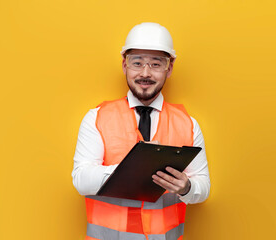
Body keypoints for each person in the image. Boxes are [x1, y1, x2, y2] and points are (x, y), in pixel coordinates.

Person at [72, 22, 210, 240]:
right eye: (137, 63)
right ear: (125, 66)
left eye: (156, 64)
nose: (145, 73)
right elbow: (81, 180)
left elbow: (203, 188)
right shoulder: (96, 118)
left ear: (169, 68)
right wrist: (132, 170)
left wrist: (186, 186)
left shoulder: (188, 124)